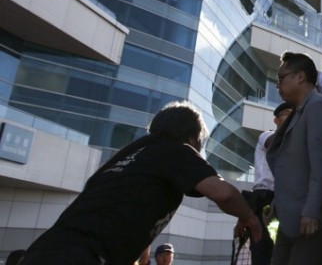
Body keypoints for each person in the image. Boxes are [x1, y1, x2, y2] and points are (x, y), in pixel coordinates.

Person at [20, 102, 259, 264]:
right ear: (191, 138)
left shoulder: (126, 156)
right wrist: (248, 216)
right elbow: (224, 193)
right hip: (82, 257)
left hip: (40, 252)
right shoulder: (174, 150)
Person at [267, 52, 322, 264]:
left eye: (281, 78)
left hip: (310, 219)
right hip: (292, 216)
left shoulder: (318, 106)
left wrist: (312, 209)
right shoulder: (301, 110)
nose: (277, 85)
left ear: (300, 77)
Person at [247, 102, 294, 265]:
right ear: (276, 120)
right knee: (262, 248)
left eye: (292, 114)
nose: (290, 117)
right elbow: (273, 142)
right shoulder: (267, 135)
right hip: (265, 197)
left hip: (286, 197)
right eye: (286, 114)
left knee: (282, 248)